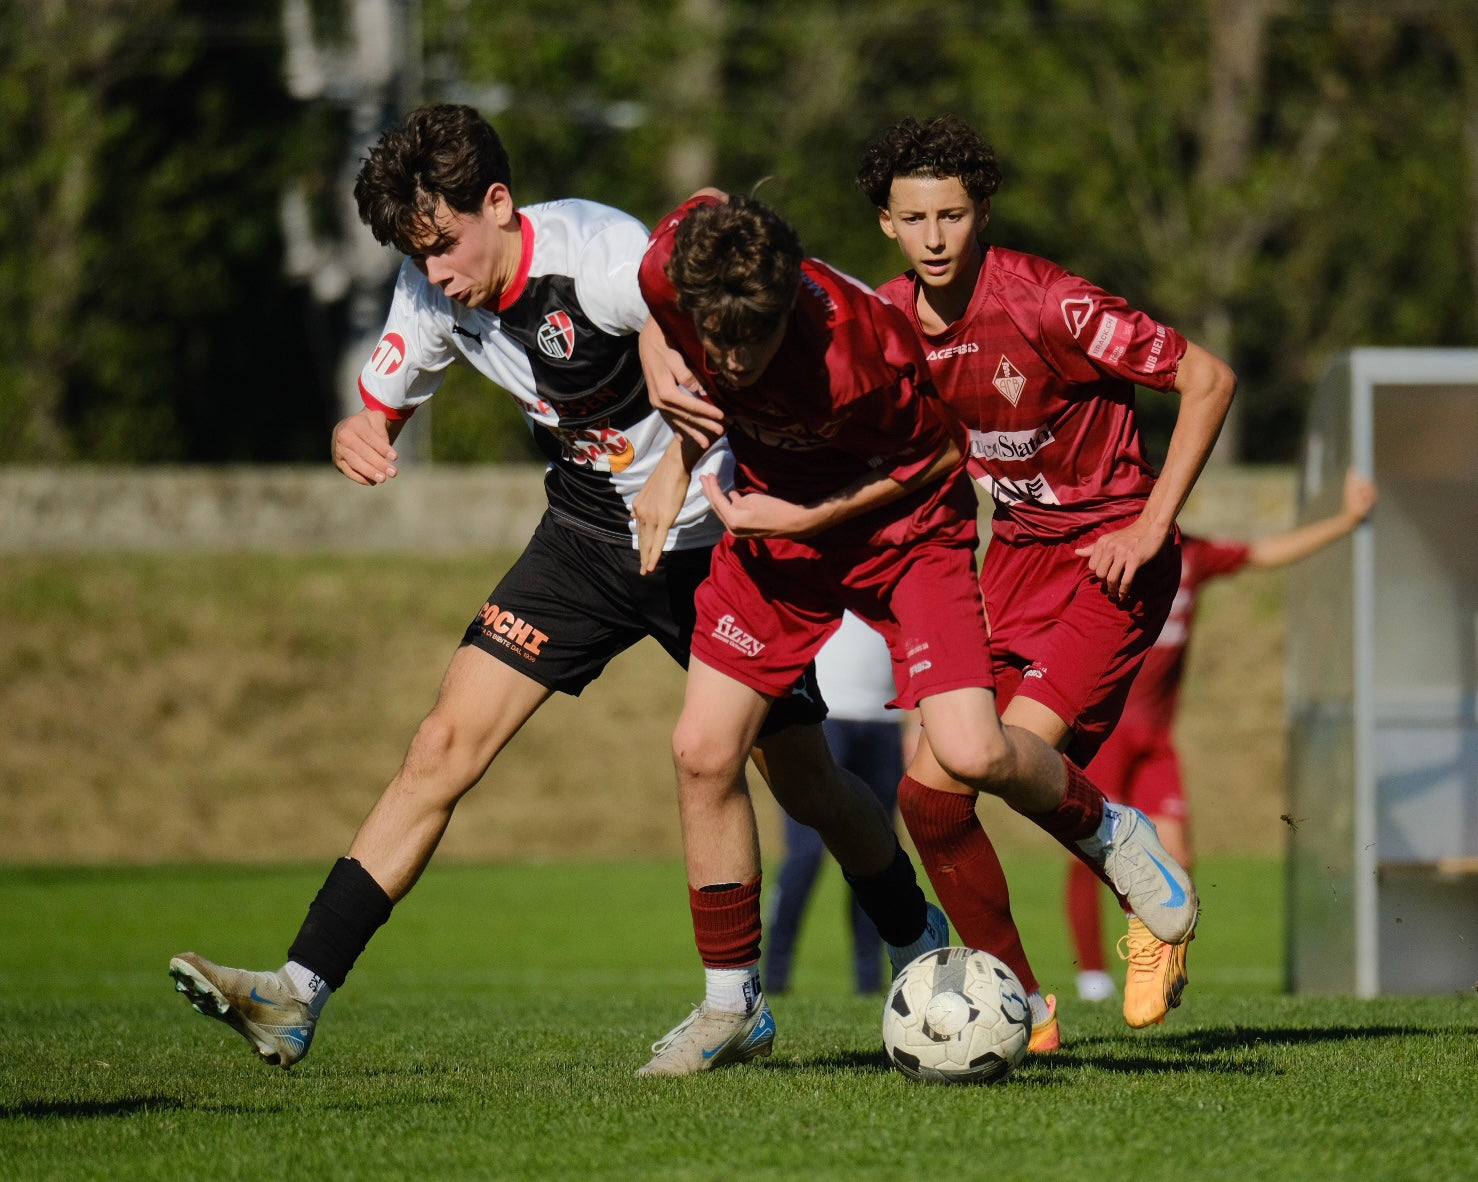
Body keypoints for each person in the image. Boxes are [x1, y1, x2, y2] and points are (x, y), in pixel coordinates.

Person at [166, 104, 951, 1073]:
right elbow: (379, 403)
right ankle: (298, 992)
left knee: (807, 784)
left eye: (447, 243)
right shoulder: (431, 286)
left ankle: (920, 947)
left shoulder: (605, 255)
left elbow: (712, 347)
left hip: (711, 544)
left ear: (498, 202)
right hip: (582, 538)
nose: (437, 271)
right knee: (441, 745)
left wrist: (678, 449)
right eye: (420, 255)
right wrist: (356, 431)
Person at [632, 190, 1200, 1071]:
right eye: (717, 344)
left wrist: (804, 515)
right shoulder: (678, 267)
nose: (734, 365)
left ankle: (1113, 833)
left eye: (757, 343)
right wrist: (668, 414)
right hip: (776, 536)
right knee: (702, 752)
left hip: (906, 536)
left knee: (969, 755)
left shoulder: (865, 348)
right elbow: (690, 233)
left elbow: (939, 460)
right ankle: (729, 1006)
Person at [1070, 470, 1378, 1016]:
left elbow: (1264, 553)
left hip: (1158, 734)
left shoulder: (1194, 554)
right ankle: (1093, 977)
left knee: (1179, 855)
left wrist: (1347, 522)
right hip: (1108, 729)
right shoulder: (1110, 548)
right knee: (1091, 848)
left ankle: (1162, 968)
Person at [764, 611, 911, 996]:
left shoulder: (889, 558)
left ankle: (870, 979)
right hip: (823, 720)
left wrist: (918, 720)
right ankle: (774, 975)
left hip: (884, 722)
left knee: (876, 851)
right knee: (805, 853)